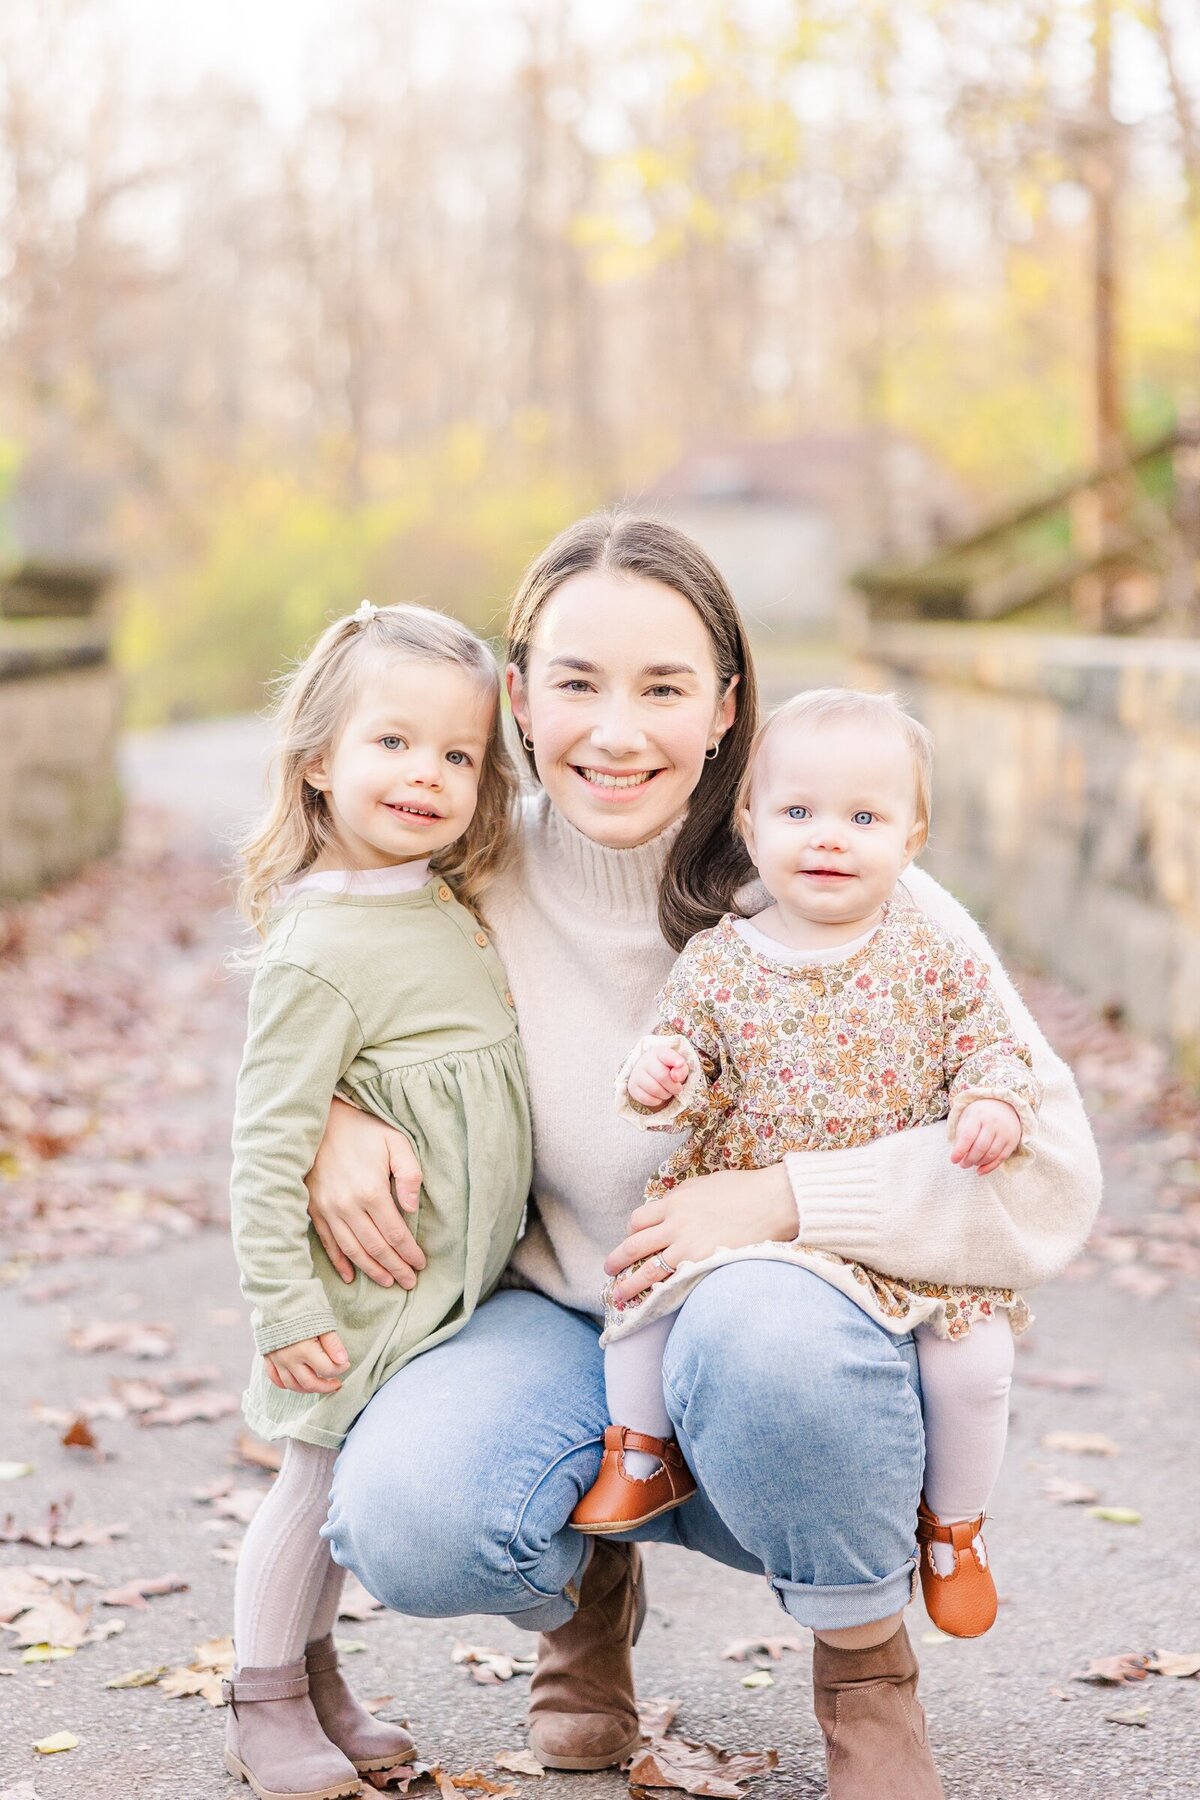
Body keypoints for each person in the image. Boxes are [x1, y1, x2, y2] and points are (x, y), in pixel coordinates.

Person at [309, 515, 1101, 1800]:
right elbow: (300, 931)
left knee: (764, 1325)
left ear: (728, 707)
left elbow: (1056, 1178)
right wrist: (326, 1118)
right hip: (570, 1323)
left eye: (664, 688)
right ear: (517, 697)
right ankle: (587, 1586)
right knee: (412, 1517)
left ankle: (862, 1671)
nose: (615, 732)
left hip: (792, 1359)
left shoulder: (834, 866)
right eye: (575, 683)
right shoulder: (464, 859)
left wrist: (784, 1198)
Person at [571, 688, 1041, 1643]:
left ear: (913, 835)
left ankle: (954, 1528)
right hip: (742, 1220)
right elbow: (683, 1053)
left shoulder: (935, 955)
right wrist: (665, 1076)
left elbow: (991, 1044)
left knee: (977, 1362)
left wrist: (993, 1099)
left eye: (864, 818)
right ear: (748, 824)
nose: (829, 838)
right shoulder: (721, 959)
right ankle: (643, 1447)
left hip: (890, 1232)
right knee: (642, 1296)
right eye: (799, 812)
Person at [224, 601, 532, 1800]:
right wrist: (283, 1305)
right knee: (310, 1482)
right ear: (317, 767)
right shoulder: (320, 944)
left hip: (436, 1282)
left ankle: (315, 1673)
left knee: (341, 1488)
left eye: (459, 755)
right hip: (358, 1285)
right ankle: (261, 1697)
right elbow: (266, 1143)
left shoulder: (437, 896)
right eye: (394, 743)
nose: (429, 774)